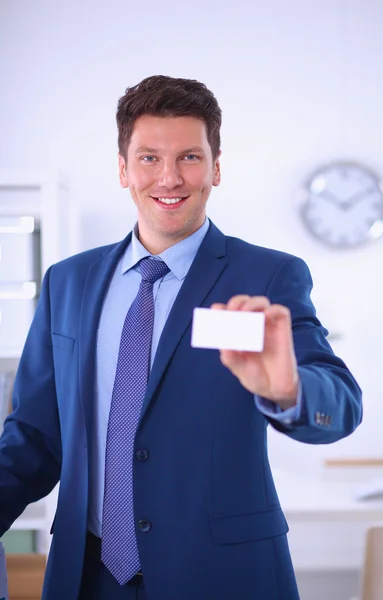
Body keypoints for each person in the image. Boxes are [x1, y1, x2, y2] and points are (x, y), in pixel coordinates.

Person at [0, 75, 362, 600]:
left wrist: (289, 390)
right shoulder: (68, 281)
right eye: (149, 158)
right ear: (123, 168)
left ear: (216, 166)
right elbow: (34, 438)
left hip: (221, 577)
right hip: (87, 577)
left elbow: (341, 403)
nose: (169, 177)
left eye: (190, 157)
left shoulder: (266, 275)